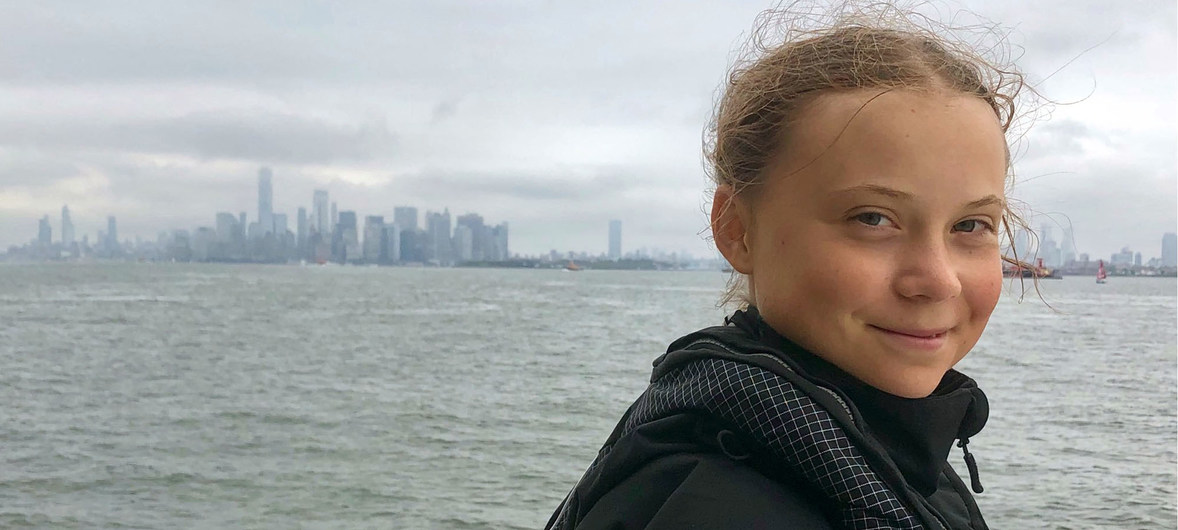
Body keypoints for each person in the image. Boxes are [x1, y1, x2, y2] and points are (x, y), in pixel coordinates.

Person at [547, 3, 1034, 529]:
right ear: (738, 229)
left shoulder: (870, 456)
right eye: (872, 218)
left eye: (970, 225)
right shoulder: (719, 506)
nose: (938, 281)